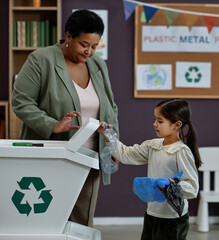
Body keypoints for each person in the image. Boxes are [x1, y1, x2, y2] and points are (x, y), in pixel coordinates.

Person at [11, 9, 119, 227]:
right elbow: (21, 102)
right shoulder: (41, 60)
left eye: (95, 46)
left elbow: (111, 108)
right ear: (68, 36)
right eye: (84, 44)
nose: (89, 51)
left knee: (82, 221)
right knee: (45, 217)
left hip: (89, 157)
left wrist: (113, 145)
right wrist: (53, 125)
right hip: (53, 155)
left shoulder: (98, 65)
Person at [98, 98, 201, 240]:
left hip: (172, 217)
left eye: (160, 121)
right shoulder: (153, 145)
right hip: (153, 213)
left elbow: (192, 187)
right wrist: (107, 135)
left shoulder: (181, 151)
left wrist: (172, 186)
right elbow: (126, 154)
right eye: (155, 119)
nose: (155, 124)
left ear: (176, 125)